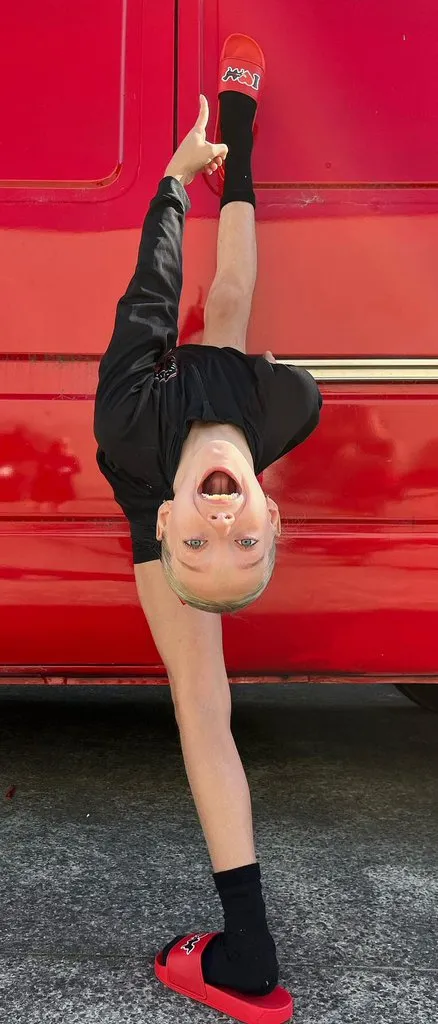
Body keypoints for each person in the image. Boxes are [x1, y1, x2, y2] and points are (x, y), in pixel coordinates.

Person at [94, 34, 322, 1021]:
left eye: (199, 541)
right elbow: (224, 313)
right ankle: (243, 127)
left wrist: (175, 178)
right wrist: (226, 148)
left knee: (201, 700)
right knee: (229, 297)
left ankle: (248, 949)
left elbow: (150, 286)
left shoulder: (130, 424)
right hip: (217, 399)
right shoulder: (283, 402)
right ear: (271, 507)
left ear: (170, 524)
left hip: (157, 436)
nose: (221, 521)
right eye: (245, 536)